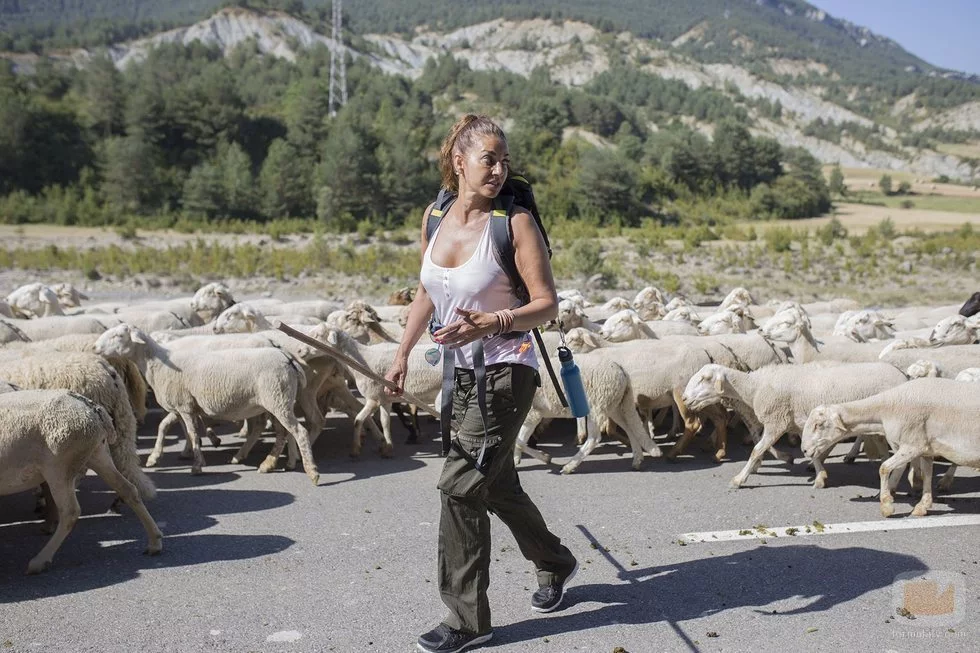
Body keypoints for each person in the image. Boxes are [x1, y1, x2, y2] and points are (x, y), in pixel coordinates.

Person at [384, 114, 578, 653]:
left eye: (504, 161)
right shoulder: (435, 216)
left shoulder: (513, 224)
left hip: (506, 369)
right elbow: (428, 290)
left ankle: (467, 620)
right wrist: (401, 355)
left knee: (459, 486)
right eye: (488, 159)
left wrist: (492, 321)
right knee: (494, 484)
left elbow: (546, 305)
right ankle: (555, 561)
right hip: (460, 373)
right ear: (459, 161)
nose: (498, 170)